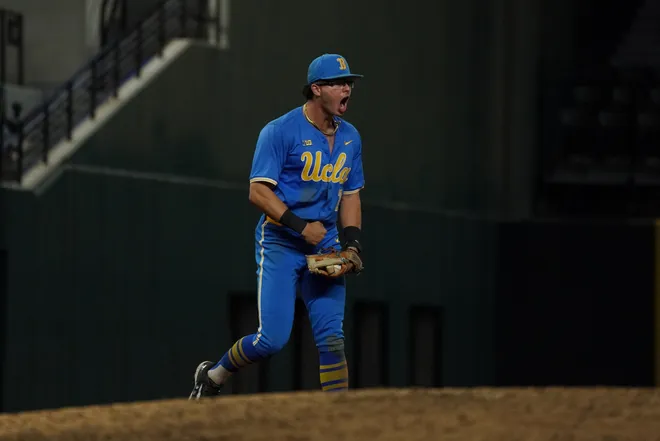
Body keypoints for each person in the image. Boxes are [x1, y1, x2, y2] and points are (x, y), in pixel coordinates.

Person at [189, 53, 365, 398]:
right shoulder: (280, 131)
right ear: (316, 89)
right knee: (272, 339)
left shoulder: (351, 138)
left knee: (332, 337)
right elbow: (257, 191)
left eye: (349, 83)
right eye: (338, 83)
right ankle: (212, 377)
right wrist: (301, 227)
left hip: (325, 241)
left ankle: (341, 420)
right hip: (282, 241)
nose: (347, 88)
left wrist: (353, 244)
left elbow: (351, 196)